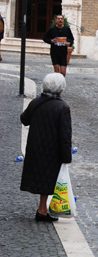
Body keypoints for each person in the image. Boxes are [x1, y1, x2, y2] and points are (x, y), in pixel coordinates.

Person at [20, 73, 72, 222]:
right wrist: (66, 157)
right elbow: (65, 134)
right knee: (49, 179)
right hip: (51, 149)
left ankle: (42, 209)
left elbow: (24, 119)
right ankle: (42, 210)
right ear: (61, 88)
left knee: (43, 178)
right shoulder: (62, 108)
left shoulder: (36, 102)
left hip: (35, 145)